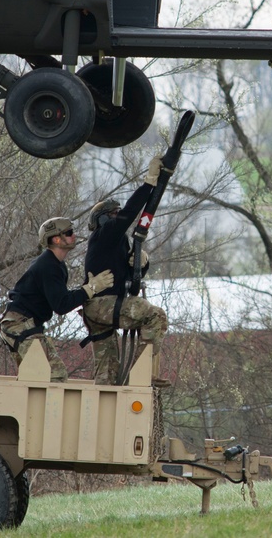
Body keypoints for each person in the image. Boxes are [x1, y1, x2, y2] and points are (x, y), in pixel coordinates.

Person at [82, 156, 169, 386]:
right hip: (104, 305)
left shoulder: (115, 245)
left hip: (99, 310)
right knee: (155, 316)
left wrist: (141, 264)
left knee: (107, 375)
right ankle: (141, 373)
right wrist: (149, 183)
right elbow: (130, 212)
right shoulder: (104, 234)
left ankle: (105, 403)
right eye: (113, 214)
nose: (117, 218)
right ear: (102, 219)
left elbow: (131, 280)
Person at [0, 217, 113, 382]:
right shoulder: (48, 265)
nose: (74, 236)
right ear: (56, 239)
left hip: (23, 324)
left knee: (34, 378)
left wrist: (88, 289)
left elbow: (61, 298)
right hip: (19, 325)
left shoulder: (56, 264)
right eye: (69, 233)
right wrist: (90, 288)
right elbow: (61, 305)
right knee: (54, 374)